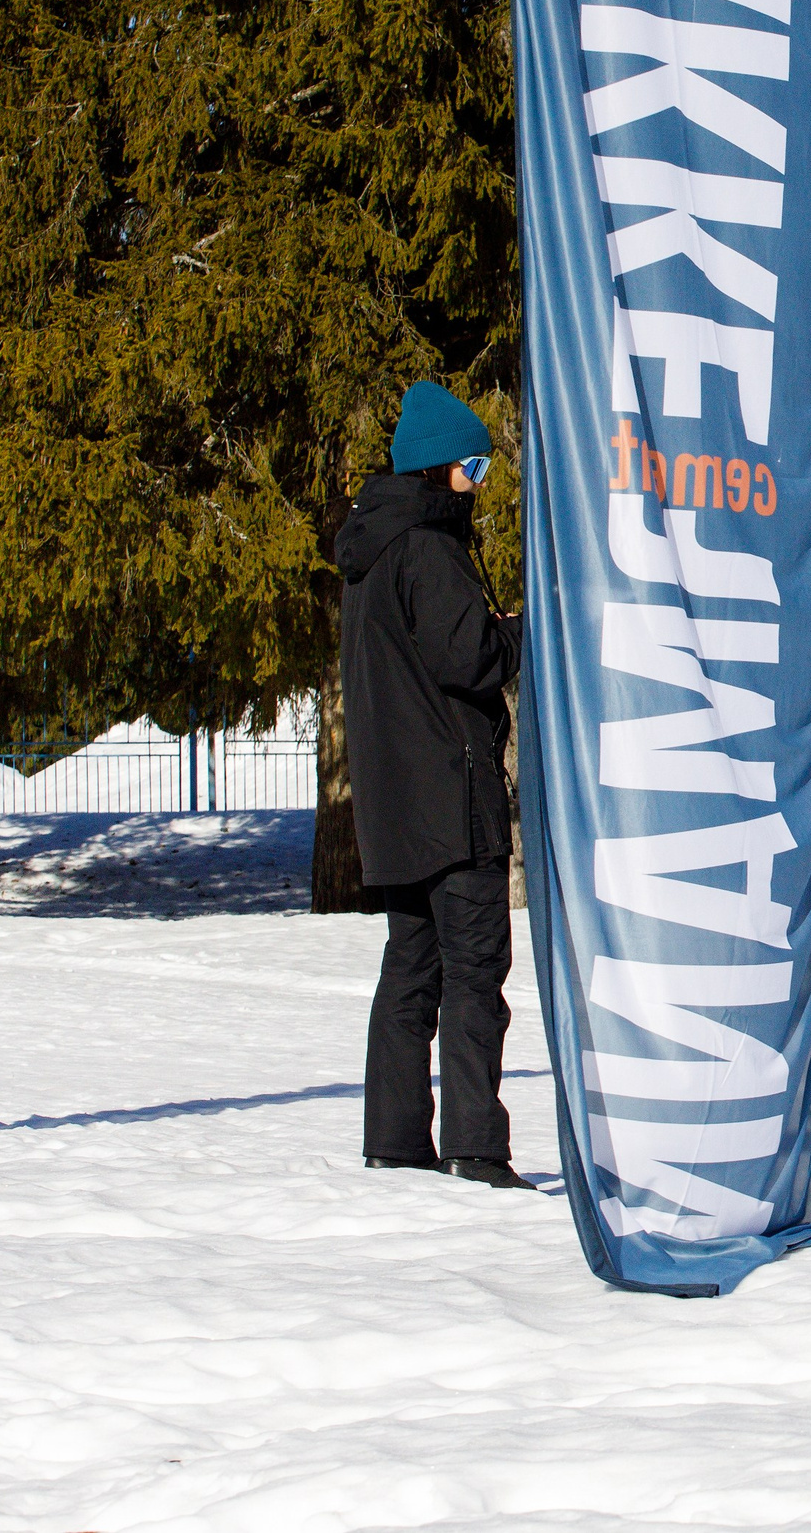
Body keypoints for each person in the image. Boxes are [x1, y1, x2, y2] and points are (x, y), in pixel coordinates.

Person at [336, 379, 532, 1191]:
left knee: (411, 970)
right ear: (436, 470)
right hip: (454, 801)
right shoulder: (428, 545)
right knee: (474, 973)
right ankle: (477, 1150)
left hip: (396, 806)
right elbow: (470, 660)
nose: (480, 486)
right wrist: (526, 632)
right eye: (473, 468)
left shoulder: (369, 550)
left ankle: (396, 1141)